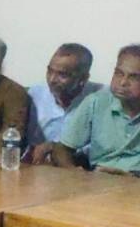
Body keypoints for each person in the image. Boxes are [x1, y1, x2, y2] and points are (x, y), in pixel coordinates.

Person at [54, 44, 140, 174]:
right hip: (100, 178)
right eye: (119, 73)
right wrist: (74, 173)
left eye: (134, 77)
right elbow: (62, 149)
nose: (123, 82)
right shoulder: (96, 102)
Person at [24, 44, 101, 164]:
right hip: (38, 164)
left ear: (83, 78)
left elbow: (102, 146)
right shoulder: (35, 94)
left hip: (79, 165)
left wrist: (56, 147)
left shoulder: (100, 98)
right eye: (49, 71)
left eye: (62, 75)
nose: (52, 80)